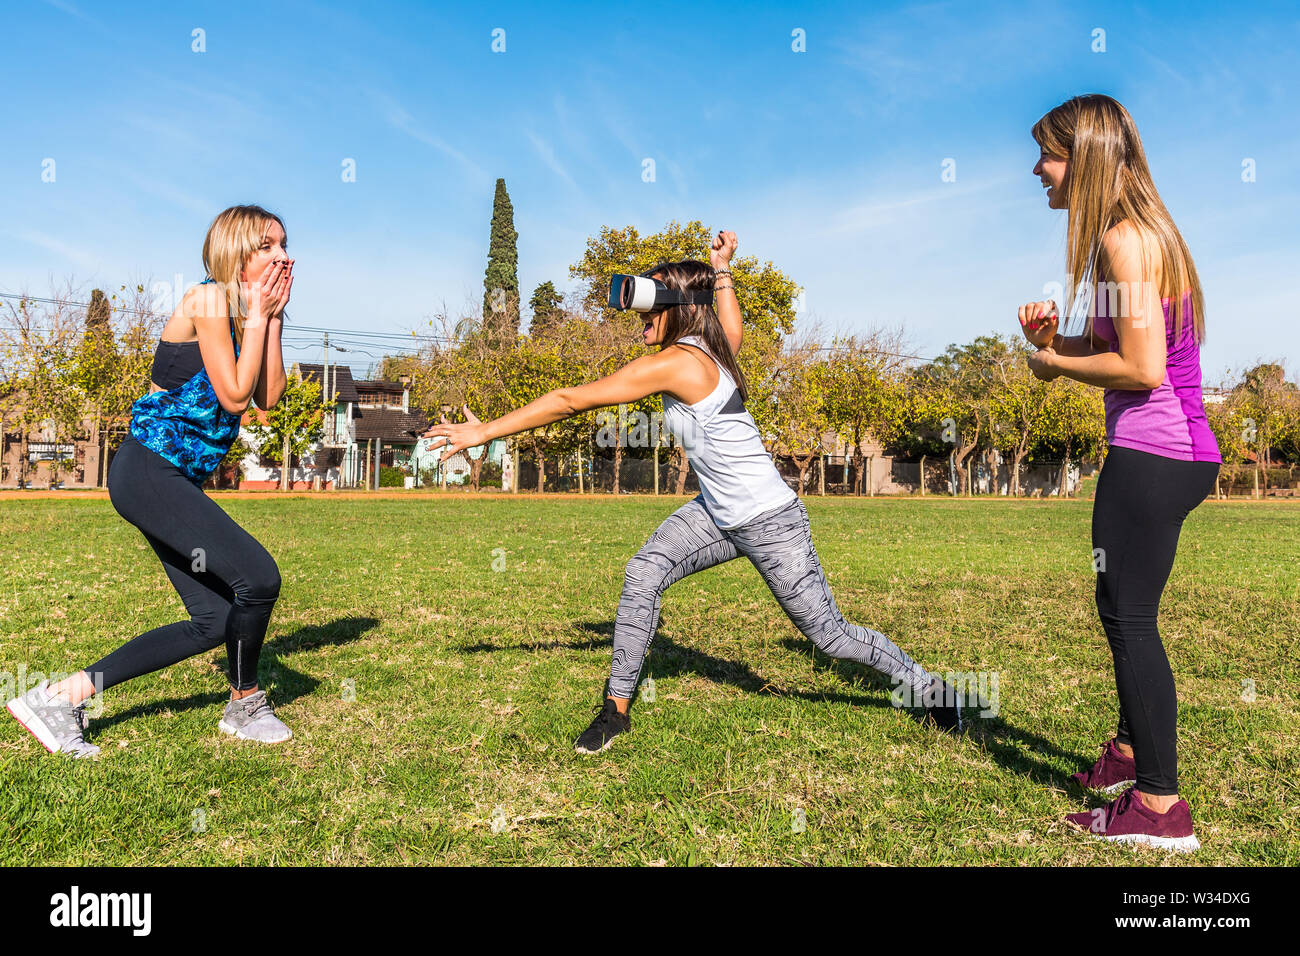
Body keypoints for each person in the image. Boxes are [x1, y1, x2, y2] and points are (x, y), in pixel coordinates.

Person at [425, 230, 962, 755]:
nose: (641, 320)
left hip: (770, 520)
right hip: (716, 513)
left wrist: (484, 430)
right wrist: (722, 266)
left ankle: (935, 691)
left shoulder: (680, 363)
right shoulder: (713, 344)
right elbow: (731, 320)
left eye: (650, 306)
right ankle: (616, 711)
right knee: (645, 570)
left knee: (829, 635)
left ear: (678, 308)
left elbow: (571, 400)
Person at [6, 204, 295, 755]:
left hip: (172, 479)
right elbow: (234, 393)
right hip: (147, 469)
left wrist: (273, 317)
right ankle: (245, 703)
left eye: (284, 243)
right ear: (236, 251)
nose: (284, 255)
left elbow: (267, 397)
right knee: (257, 579)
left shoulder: (248, 314)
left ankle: (60, 698)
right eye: (268, 245)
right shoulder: (211, 299)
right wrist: (258, 317)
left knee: (215, 619)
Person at [1018, 95, 1220, 851]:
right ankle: (1130, 755)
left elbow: (1137, 369)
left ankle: (1160, 809)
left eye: (1049, 153)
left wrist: (1049, 364)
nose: (1038, 169)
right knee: (1121, 604)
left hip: (1153, 450)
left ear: (1088, 156)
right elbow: (1140, 350)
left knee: (1130, 618)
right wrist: (1057, 342)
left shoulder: (1124, 242)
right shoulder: (1142, 236)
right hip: (1177, 449)